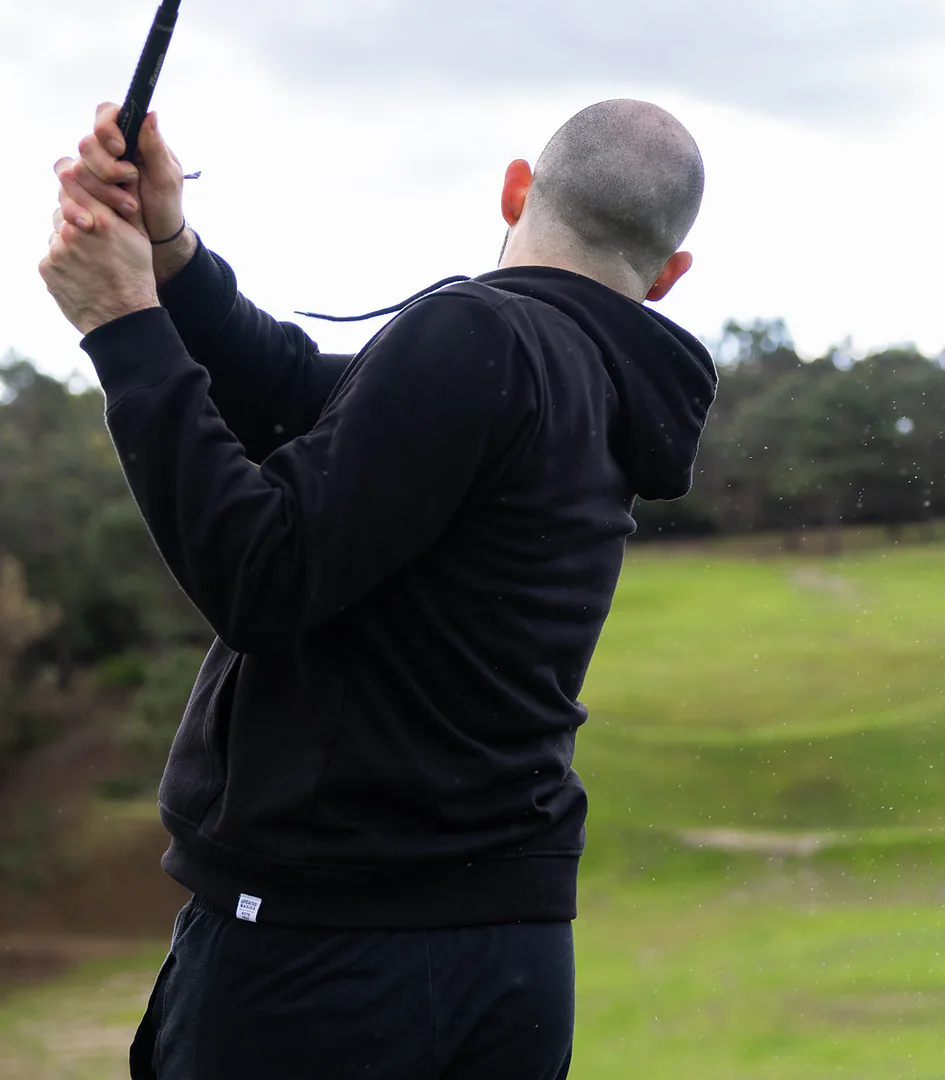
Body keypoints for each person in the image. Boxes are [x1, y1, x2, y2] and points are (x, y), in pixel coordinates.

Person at [39, 98, 717, 1079]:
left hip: (329, 957)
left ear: (516, 186)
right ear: (668, 275)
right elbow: (295, 393)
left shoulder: (478, 333)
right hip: (510, 958)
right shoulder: (586, 378)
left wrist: (121, 321)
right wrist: (170, 248)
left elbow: (259, 576)